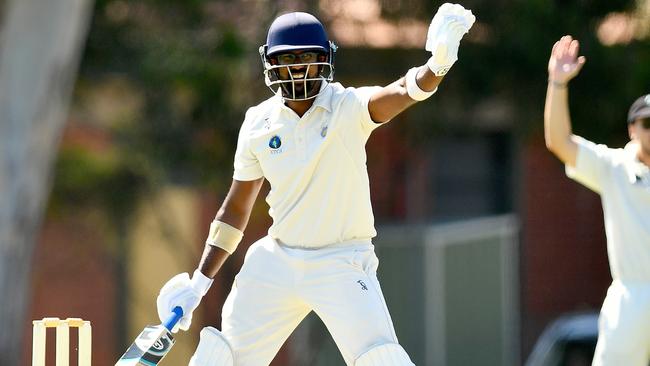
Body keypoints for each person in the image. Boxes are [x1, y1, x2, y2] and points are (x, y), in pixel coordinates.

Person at [156, 4, 475, 365]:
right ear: (270, 64)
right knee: (221, 358)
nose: (296, 68)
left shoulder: (347, 107)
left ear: (324, 61)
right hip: (278, 260)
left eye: (306, 58)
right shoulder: (258, 123)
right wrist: (199, 284)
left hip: (341, 260)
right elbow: (235, 210)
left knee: (380, 358)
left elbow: (401, 91)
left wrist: (437, 67)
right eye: (287, 59)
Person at [545, 35, 650, 366]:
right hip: (631, 296)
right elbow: (559, 141)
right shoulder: (614, 167)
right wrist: (558, 84)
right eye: (648, 123)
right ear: (633, 129)